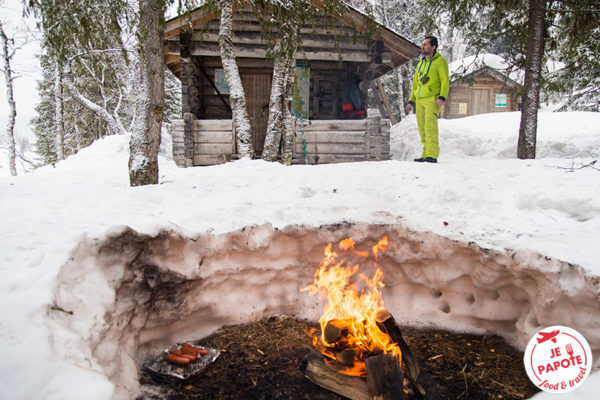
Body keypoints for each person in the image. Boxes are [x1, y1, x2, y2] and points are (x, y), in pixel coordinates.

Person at [406, 36, 449, 163]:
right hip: (420, 99)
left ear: (433, 46)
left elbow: (445, 80)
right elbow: (415, 84)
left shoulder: (440, 62)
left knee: (430, 126)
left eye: (425, 44)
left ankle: (432, 154)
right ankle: (425, 154)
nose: (423, 46)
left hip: (432, 99)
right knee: (422, 127)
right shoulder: (420, 64)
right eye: (422, 44)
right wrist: (411, 101)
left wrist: (442, 97)